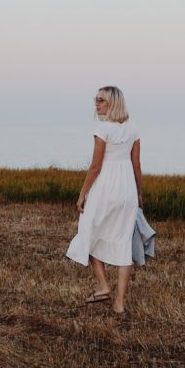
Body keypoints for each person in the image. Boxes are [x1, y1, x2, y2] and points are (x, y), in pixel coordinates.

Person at [65, 85, 142, 315]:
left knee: (88, 233)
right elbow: (136, 165)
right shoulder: (133, 128)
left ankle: (103, 286)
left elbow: (96, 166)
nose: (96, 104)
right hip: (127, 190)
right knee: (123, 243)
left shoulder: (102, 128)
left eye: (100, 100)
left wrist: (82, 194)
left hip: (105, 189)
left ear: (112, 103)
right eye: (95, 99)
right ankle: (119, 303)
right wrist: (138, 193)